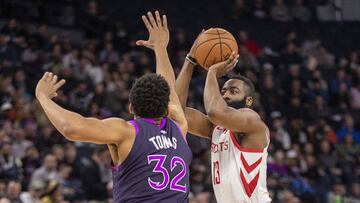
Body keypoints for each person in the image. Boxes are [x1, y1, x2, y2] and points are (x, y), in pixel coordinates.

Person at [35, 11, 191, 203]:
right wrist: (160, 48)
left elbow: (71, 128)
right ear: (166, 110)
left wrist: (43, 97)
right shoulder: (178, 126)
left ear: (131, 107)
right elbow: (170, 92)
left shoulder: (127, 132)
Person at [176, 38, 271, 202]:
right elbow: (176, 112)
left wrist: (211, 72)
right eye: (223, 91)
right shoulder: (217, 129)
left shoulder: (252, 120)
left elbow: (214, 111)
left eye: (233, 91)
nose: (225, 95)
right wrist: (190, 60)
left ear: (248, 101)